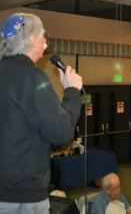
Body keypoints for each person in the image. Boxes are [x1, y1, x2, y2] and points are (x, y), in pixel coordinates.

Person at [0, 13, 83, 214]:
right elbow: (61, 132)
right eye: (43, 34)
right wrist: (72, 92)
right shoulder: (32, 78)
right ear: (31, 38)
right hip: (22, 198)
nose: (45, 40)